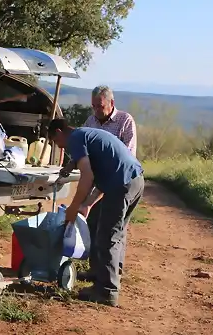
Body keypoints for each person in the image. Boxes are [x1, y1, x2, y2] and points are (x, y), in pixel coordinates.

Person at [48, 118, 144, 307]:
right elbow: (104, 174)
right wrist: (88, 204)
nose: (59, 146)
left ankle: (107, 291)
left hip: (122, 184)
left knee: (108, 236)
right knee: (116, 233)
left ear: (59, 132)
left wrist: (74, 208)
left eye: (55, 141)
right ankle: (104, 274)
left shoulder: (75, 138)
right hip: (135, 180)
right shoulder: (86, 134)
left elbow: (88, 176)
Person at [60, 85, 137, 282]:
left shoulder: (125, 121)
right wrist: (70, 164)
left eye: (100, 106)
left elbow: (125, 156)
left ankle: (113, 275)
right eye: (93, 106)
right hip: (98, 178)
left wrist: (85, 202)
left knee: (114, 229)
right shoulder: (91, 121)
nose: (96, 111)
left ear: (111, 103)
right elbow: (83, 149)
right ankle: (97, 269)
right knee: (94, 223)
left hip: (117, 179)